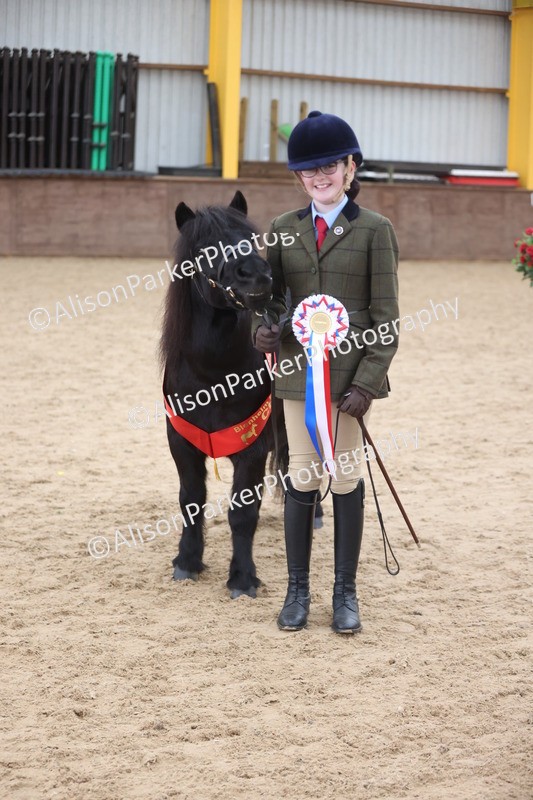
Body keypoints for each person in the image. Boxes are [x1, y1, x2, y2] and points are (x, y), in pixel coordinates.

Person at [253, 110, 399, 634]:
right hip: (297, 378)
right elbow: (271, 301)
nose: (321, 177)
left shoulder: (375, 232)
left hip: (348, 387)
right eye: (310, 170)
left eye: (330, 166)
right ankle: (297, 591)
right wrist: (263, 331)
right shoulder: (282, 229)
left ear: (350, 167)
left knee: (346, 480)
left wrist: (366, 383)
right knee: (302, 477)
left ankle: (345, 592)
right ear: (299, 177)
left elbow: (386, 320)